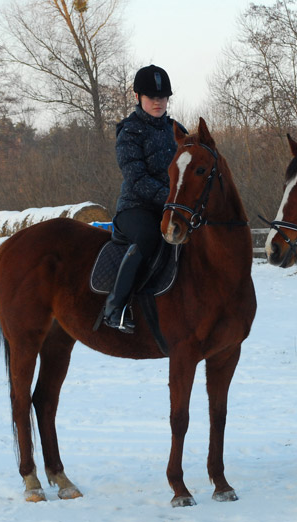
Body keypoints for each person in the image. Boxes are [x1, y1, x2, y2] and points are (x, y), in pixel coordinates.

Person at [98, 65, 186, 333]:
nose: (158, 102)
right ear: (138, 97)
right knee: (148, 238)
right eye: (151, 97)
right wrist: (171, 200)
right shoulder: (130, 131)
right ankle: (116, 306)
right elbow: (136, 179)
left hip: (174, 206)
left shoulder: (177, 129)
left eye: (162, 97)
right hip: (136, 209)